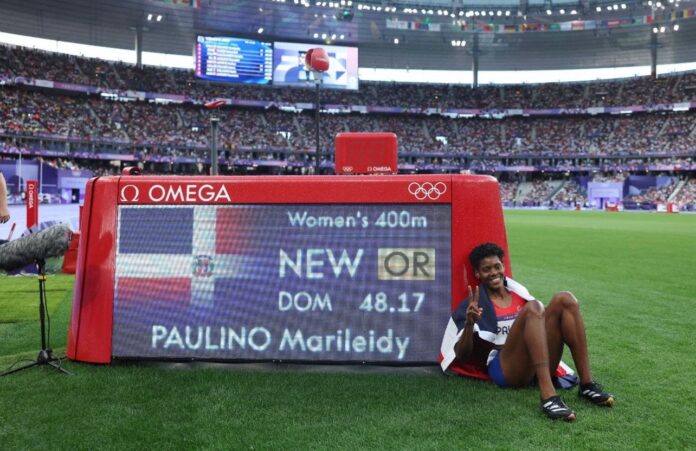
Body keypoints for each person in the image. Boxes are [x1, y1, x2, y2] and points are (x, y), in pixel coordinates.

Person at [440, 242, 614, 421]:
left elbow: (541, 323)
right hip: (505, 367)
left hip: (535, 362)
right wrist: (469, 324)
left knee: (565, 299)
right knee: (534, 307)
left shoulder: (518, 293)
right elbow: (461, 355)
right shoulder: (475, 304)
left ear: (503, 266)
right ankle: (548, 396)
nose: (493, 272)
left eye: (497, 266)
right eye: (486, 269)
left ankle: (587, 385)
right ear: (477, 273)